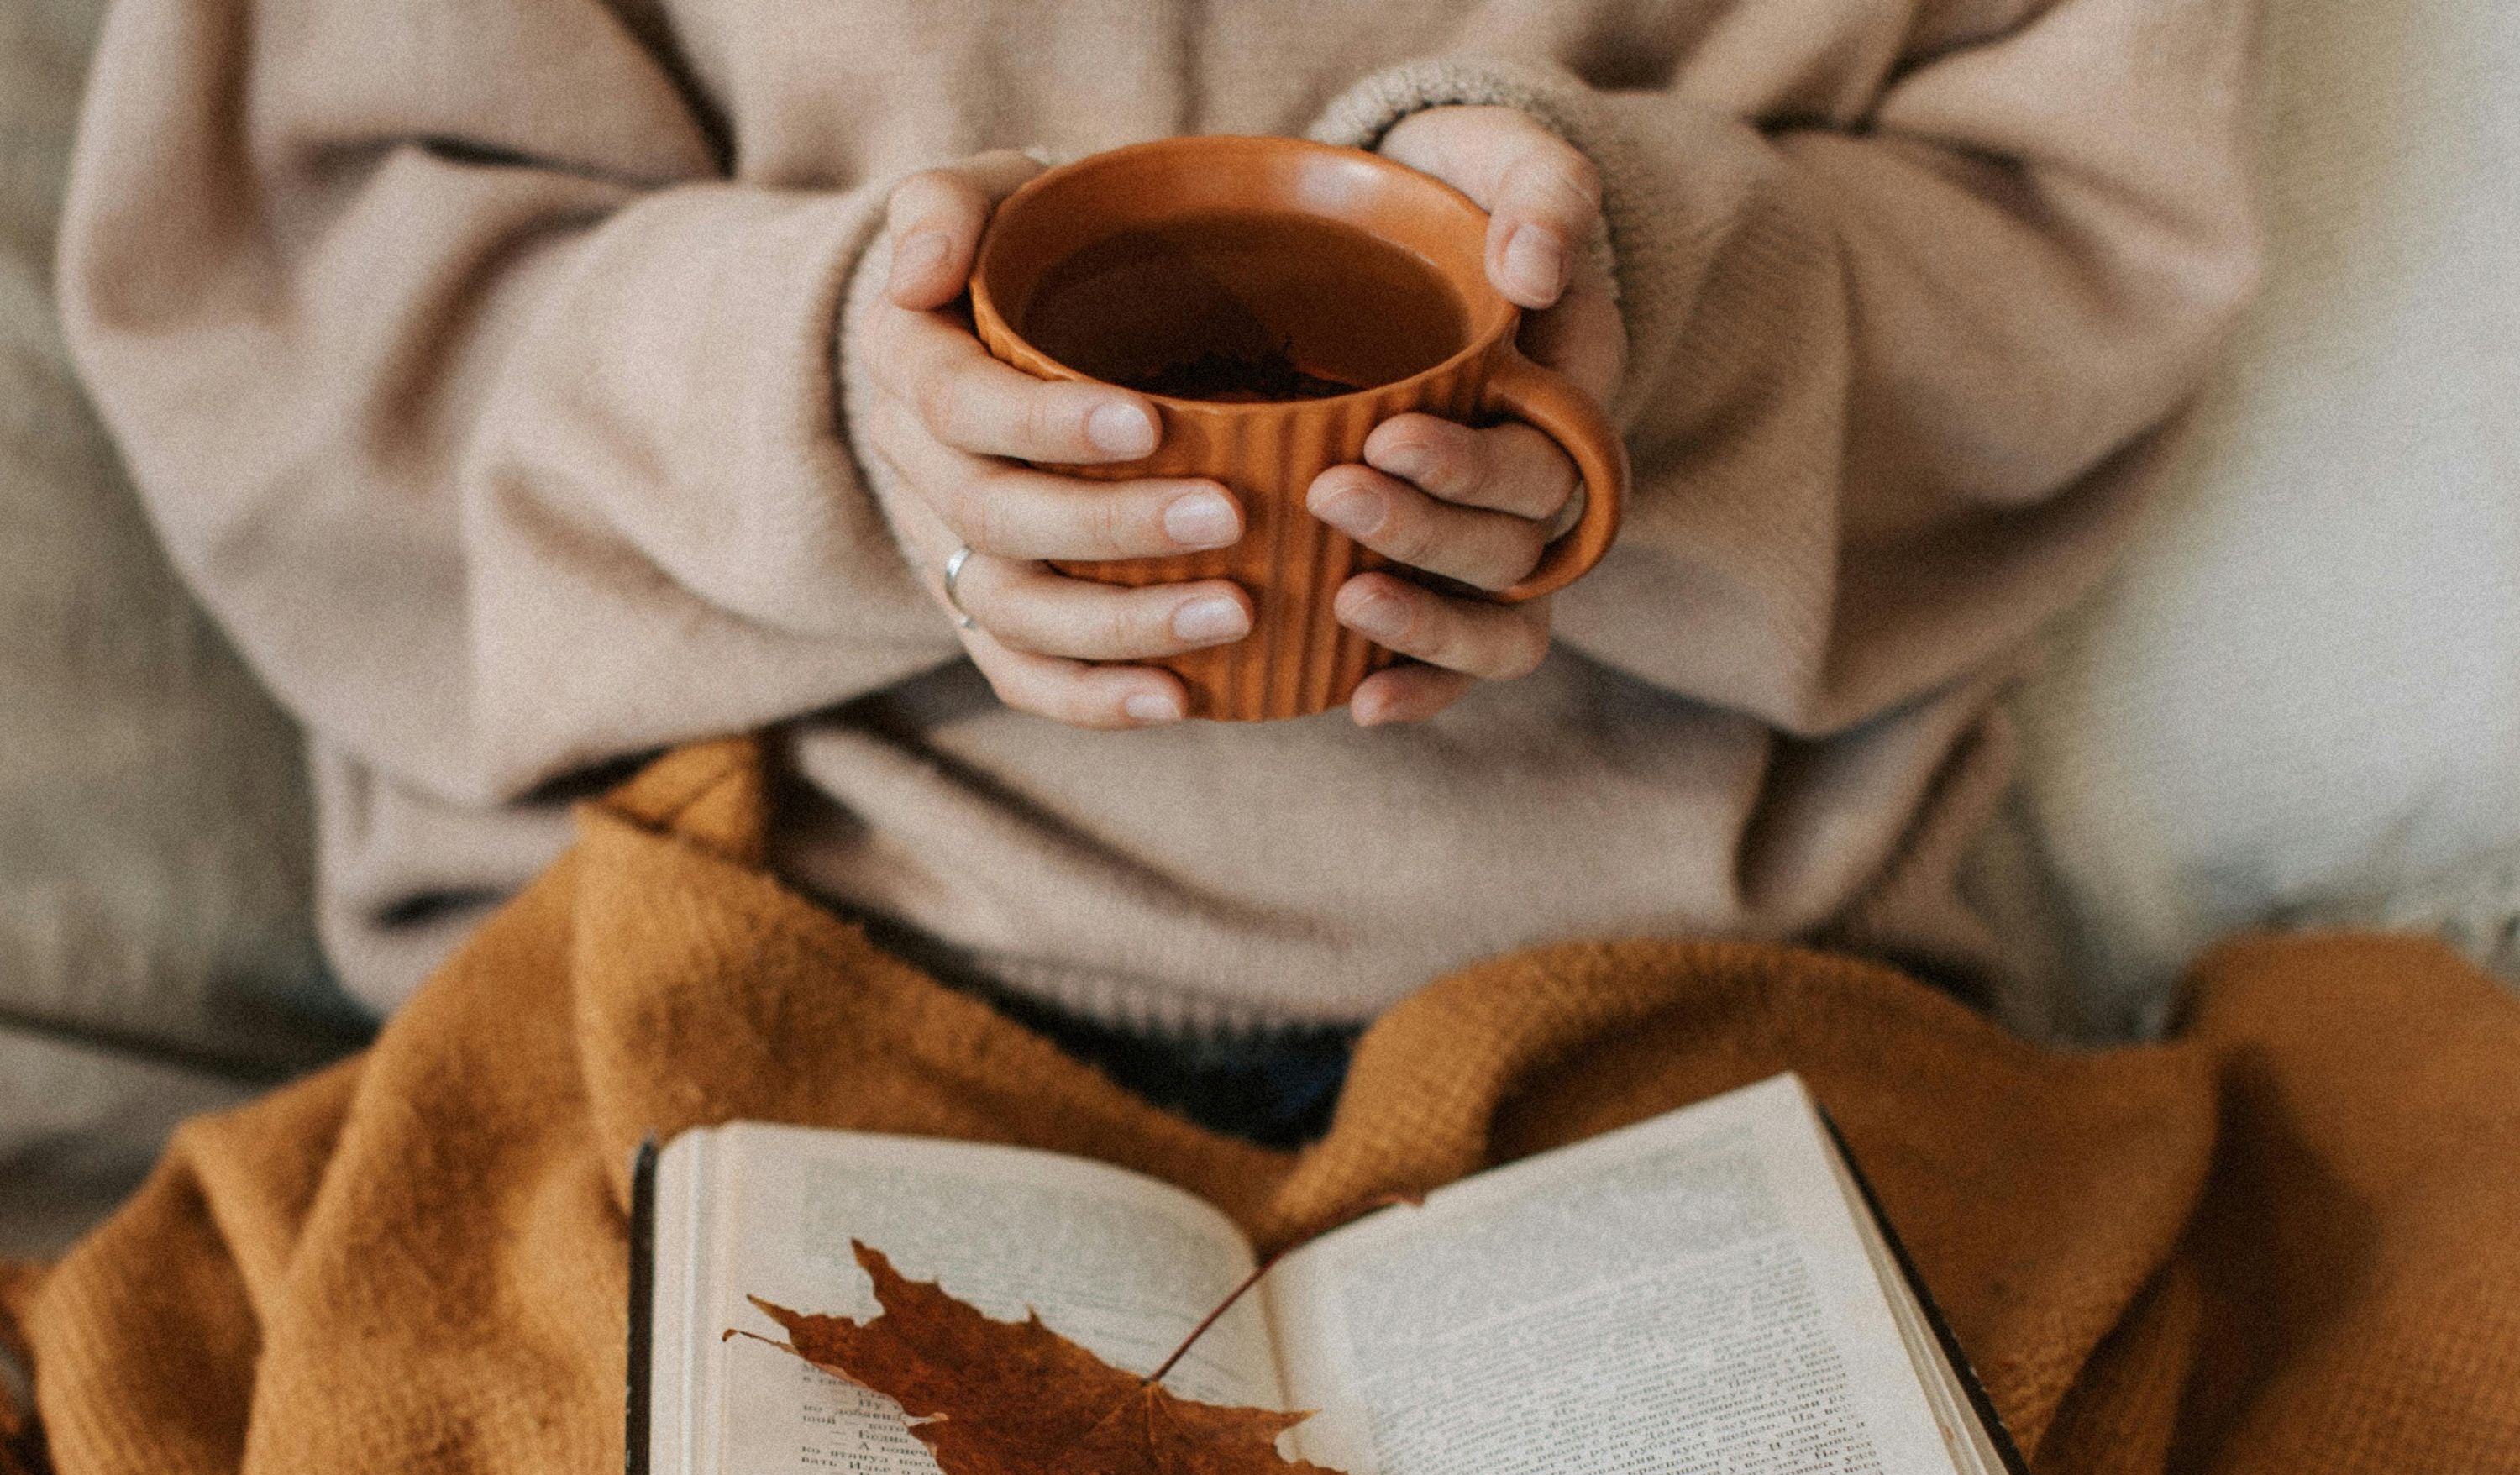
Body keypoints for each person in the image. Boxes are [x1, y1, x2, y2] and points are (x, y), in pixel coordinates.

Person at [57, 0, 2258, 1142]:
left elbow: (2081, 249)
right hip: (748, 952)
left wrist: (1640, 308)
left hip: (1703, 998)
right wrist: (827, 395)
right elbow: (296, 322)